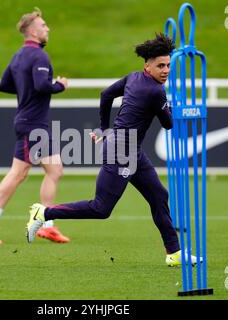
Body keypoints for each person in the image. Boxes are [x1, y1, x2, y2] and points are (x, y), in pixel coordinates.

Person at [25, 33, 200, 266]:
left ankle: (175, 253)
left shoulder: (133, 78)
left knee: (159, 196)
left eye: (168, 65)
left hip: (131, 149)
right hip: (121, 151)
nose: (166, 70)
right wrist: (172, 107)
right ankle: (44, 213)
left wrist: (103, 128)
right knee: (101, 208)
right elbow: (168, 124)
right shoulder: (156, 92)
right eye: (160, 66)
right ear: (147, 66)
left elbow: (105, 95)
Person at [0, 8, 70, 244]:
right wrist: (59, 85)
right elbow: (41, 86)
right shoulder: (39, 56)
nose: (47, 28)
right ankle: (38, 223)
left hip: (26, 120)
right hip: (33, 124)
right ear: (32, 31)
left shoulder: (19, 55)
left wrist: (25, 89)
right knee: (40, 171)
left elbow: (4, 85)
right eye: (43, 25)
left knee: (37, 171)